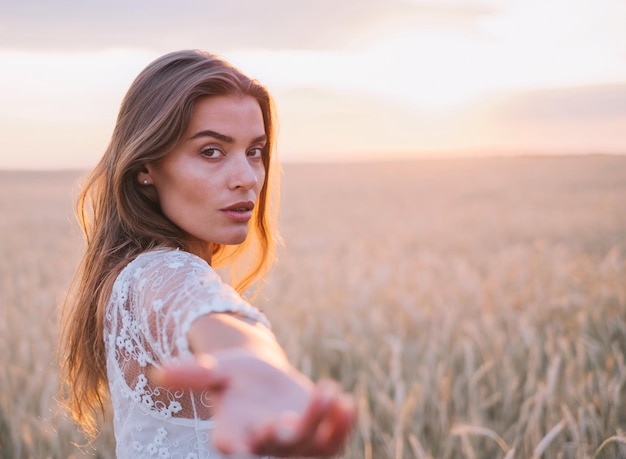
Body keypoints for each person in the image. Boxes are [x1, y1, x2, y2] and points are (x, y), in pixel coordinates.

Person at [60, 49, 356, 458]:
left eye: (255, 151)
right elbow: (215, 322)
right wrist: (261, 367)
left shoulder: (127, 273)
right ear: (146, 165)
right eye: (211, 151)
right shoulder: (161, 272)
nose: (247, 178)